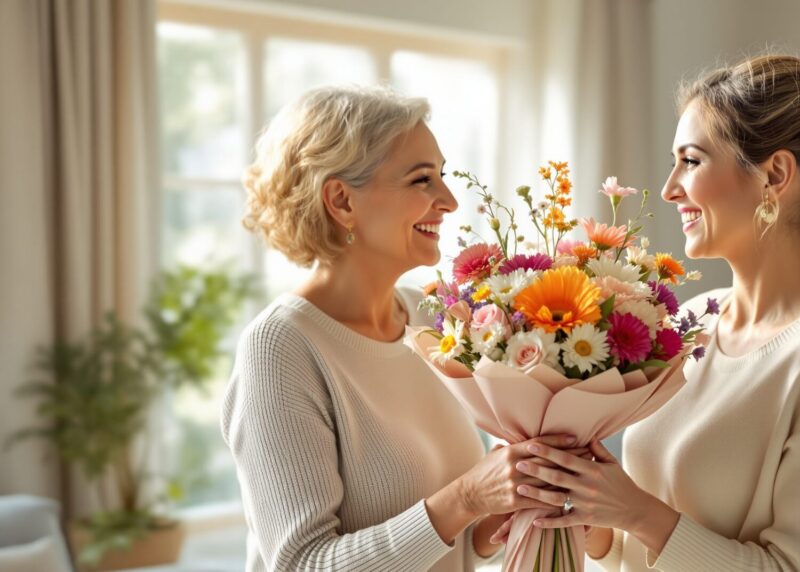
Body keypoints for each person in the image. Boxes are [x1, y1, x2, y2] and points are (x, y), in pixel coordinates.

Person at [509, 39, 800, 571]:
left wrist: (635, 512)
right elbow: (646, 547)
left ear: (775, 175)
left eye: (691, 161)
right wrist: (591, 515)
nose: (669, 189)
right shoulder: (694, 320)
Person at [222, 85, 576, 571]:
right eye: (421, 180)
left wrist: (514, 500)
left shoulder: (429, 319)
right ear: (342, 200)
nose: (448, 200)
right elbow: (304, 563)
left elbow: (448, 545)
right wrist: (469, 497)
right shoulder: (281, 347)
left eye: (441, 176)